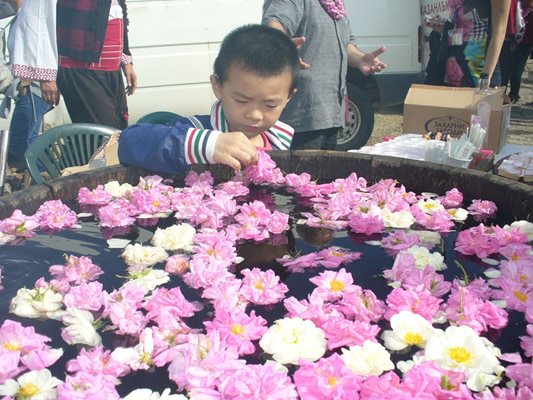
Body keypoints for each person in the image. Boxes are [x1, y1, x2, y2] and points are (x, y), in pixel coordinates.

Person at [118, 24, 299, 175]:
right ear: (218, 86)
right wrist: (210, 145)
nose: (255, 115)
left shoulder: (280, 141)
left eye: (270, 104)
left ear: (288, 97)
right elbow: (128, 142)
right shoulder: (197, 129)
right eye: (242, 101)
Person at [262, 0, 386, 151]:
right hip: (302, 117)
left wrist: (360, 59)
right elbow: (274, 23)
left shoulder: (336, 5)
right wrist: (283, 45)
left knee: (325, 173)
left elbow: (347, 45)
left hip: (332, 114)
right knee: (301, 174)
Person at [10, 0, 137, 130]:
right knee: (103, 133)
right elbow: (36, 16)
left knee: (119, 126)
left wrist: (125, 59)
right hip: (78, 66)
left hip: (111, 66)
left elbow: (117, 11)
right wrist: (46, 76)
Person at [0, 0, 51, 172]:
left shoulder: (31, 15)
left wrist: (27, 78)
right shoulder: (19, 16)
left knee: (22, 144)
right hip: (28, 88)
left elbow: (37, 47)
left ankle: (46, 180)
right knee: (25, 142)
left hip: (34, 88)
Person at [425, 0, 511, 87]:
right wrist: (445, 26)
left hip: (479, 73)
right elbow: (463, 29)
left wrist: (485, 77)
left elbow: (499, 33)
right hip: (452, 73)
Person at [508, 0, 533, 102]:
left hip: (522, 41)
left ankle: (513, 94)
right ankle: (513, 94)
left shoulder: (522, 8)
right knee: (516, 68)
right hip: (524, 41)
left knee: (515, 69)